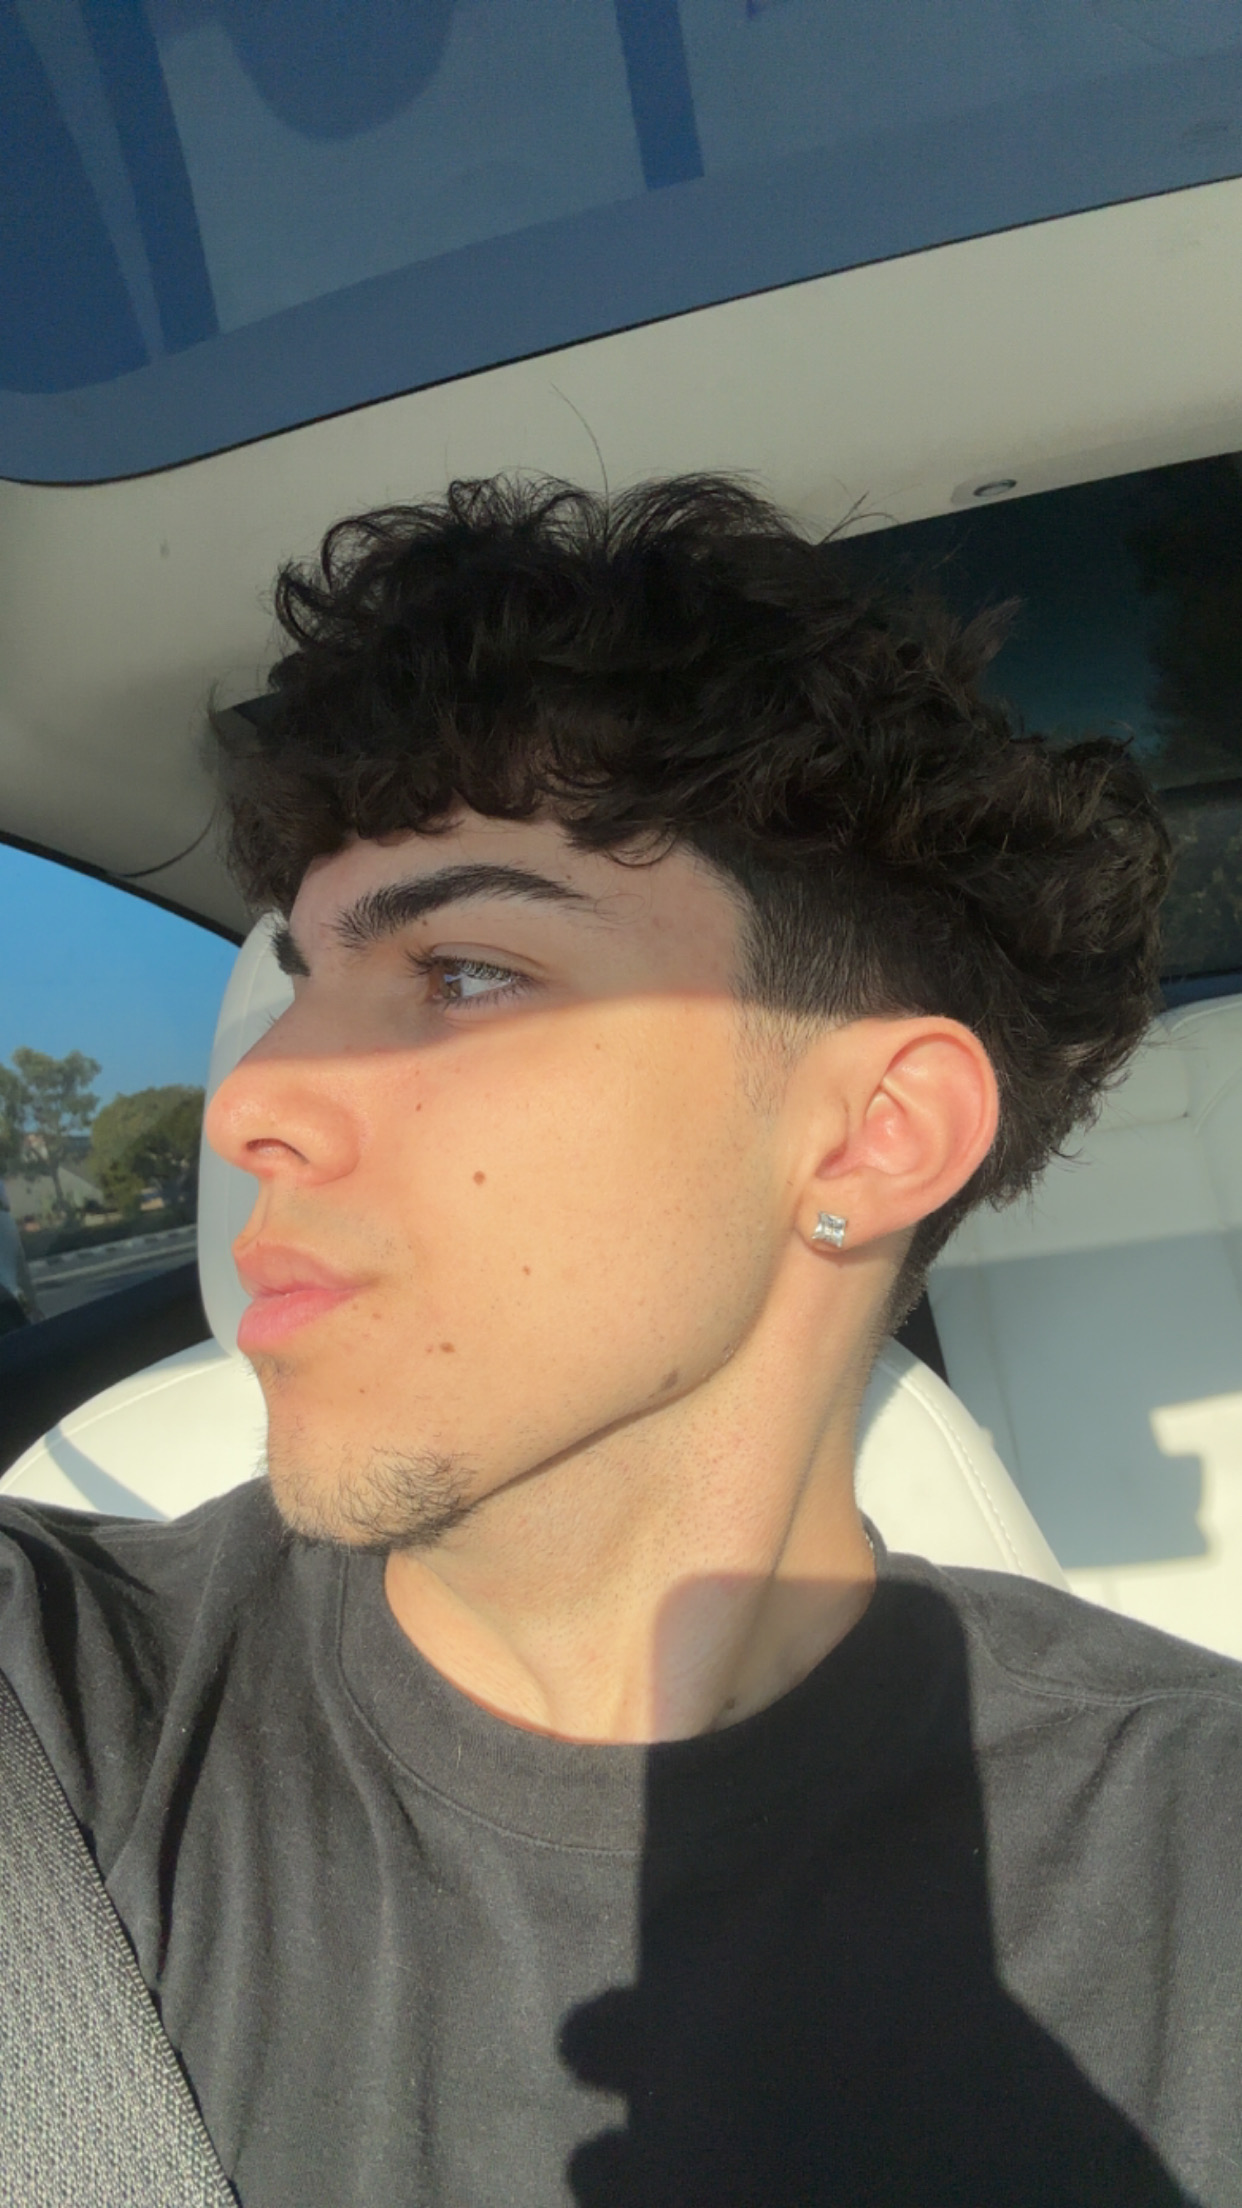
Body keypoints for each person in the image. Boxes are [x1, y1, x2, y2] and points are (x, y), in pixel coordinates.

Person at [1, 474, 1239, 2208]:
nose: (253, 1101)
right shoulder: (54, 1713)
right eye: (296, 984)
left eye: (463, 972)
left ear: (871, 1136)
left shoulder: (1195, 1865)